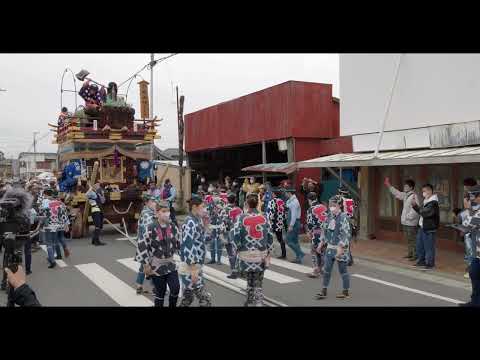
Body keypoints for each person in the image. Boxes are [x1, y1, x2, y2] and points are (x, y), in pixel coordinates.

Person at [136, 199, 180, 307]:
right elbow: (142, 246)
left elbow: (180, 244)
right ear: (157, 213)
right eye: (163, 211)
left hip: (170, 264)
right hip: (156, 266)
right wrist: (146, 265)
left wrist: (189, 261)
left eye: (168, 211)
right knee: (160, 292)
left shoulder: (173, 227)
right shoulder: (150, 228)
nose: (166, 213)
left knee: (175, 288)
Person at [232, 193, 274, 306]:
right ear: (258, 204)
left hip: (246, 254)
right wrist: (269, 250)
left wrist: (237, 248)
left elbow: (235, 235)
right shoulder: (264, 217)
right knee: (258, 281)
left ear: (247, 203)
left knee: (249, 278)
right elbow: (270, 235)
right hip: (260, 254)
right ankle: (258, 301)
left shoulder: (241, 217)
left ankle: (249, 299)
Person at [315, 195, 352, 300]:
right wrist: (321, 244)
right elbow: (324, 230)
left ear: (339, 205)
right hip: (330, 247)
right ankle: (323, 291)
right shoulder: (329, 216)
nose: (331, 207)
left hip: (341, 248)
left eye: (334, 205)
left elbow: (346, 233)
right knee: (326, 269)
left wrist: (341, 247)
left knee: (343, 270)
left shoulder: (344, 217)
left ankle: (345, 292)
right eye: (330, 205)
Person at [179, 195, 212, 307]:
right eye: (202, 207)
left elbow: (202, 241)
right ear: (194, 207)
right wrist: (193, 269)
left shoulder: (196, 220)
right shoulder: (190, 222)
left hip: (194, 266)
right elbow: (188, 245)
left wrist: (206, 226)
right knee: (205, 299)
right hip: (191, 266)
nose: (204, 209)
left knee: (187, 299)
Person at [384, 177, 420, 261]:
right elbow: (397, 193)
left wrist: (407, 217)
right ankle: (410, 253)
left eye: (406, 186)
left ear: (411, 187)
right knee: (408, 239)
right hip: (405, 222)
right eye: (405, 186)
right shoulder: (406, 195)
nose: (404, 187)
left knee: (413, 239)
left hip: (411, 223)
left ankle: (415, 255)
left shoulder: (414, 196)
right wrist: (389, 185)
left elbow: (415, 210)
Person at [458, 185, 480, 306]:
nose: (470, 199)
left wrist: (467, 209)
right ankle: (475, 302)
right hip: (478, 251)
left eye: (472, 195)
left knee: (475, 273)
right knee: (474, 273)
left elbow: (467, 225)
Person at [39, 189, 70, 268]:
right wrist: (66, 224)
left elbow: (41, 213)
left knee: (49, 243)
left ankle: (52, 260)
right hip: (57, 225)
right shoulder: (60, 203)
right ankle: (58, 254)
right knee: (55, 240)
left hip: (48, 224)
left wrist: (40, 223)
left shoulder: (45, 203)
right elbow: (64, 214)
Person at [411, 184, 439, 270]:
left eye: (424, 191)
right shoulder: (426, 201)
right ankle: (421, 261)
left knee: (429, 247)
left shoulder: (433, 202)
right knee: (420, 245)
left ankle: (430, 264)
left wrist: (415, 206)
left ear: (430, 191)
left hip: (429, 228)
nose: (423, 193)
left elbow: (425, 213)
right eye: (422, 191)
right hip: (422, 226)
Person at [134, 194, 158, 295]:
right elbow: (151, 229)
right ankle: (154, 288)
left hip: (142, 243)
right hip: (148, 243)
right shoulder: (148, 214)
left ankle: (139, 285)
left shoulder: (146, 212)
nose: (155, 204)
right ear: (147, 203)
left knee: (143, 264)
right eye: (153, 202)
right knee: (153, 264)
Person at [220, 192, 243, 279]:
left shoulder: (224, 209)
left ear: (227, 200)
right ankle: (239, 270)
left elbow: (222, 222)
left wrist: (222, 234)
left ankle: (234, 271)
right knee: (237, 253)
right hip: (237, 233)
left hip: (228, 232)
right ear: (235, 200)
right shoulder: (239, 210)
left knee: (230, 253)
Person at [306, 192, 328, 278]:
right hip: (325, 232)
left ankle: (315, 270)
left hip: (317, 232)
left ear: (309, 199)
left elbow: (310, 223)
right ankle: (321, 268)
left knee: (313, 251)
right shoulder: (324, 207)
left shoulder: (311, 209)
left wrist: (309, 232)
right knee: (322, 251)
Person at [285, 188, 305, 264]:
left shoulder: (294, 202)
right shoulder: (291, 201)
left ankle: (300, 253)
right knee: (295, 241)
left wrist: (291, 225)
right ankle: (298, 258)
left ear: (289, 193)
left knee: (288, 240)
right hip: (295, 223)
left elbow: (293, 215)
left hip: (294, 223)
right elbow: (287, 205)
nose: (285, 194)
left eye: (286, 193)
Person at [266, 188, 287, 259]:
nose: (271, 194)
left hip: (273, 222)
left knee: (268, 237)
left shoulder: (272, 201)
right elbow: (284, 212)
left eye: (272, 193)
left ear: (274, 194)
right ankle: (284, 253)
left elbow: (270, 212)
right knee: (280, 238)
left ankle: (267, 252)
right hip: (280, 222)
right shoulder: (282, 201)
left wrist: (268, 220)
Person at [206, 192, 224, 265]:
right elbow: (207, 213)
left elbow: (223, 213)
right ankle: (212, 259)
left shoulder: (222, 203)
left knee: (219, 244)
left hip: (220, 226)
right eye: (214, 195)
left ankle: (219, 260)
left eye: (216, 195)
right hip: (212, 226)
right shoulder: (210, 204)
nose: (215, 196)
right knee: (212, 243)